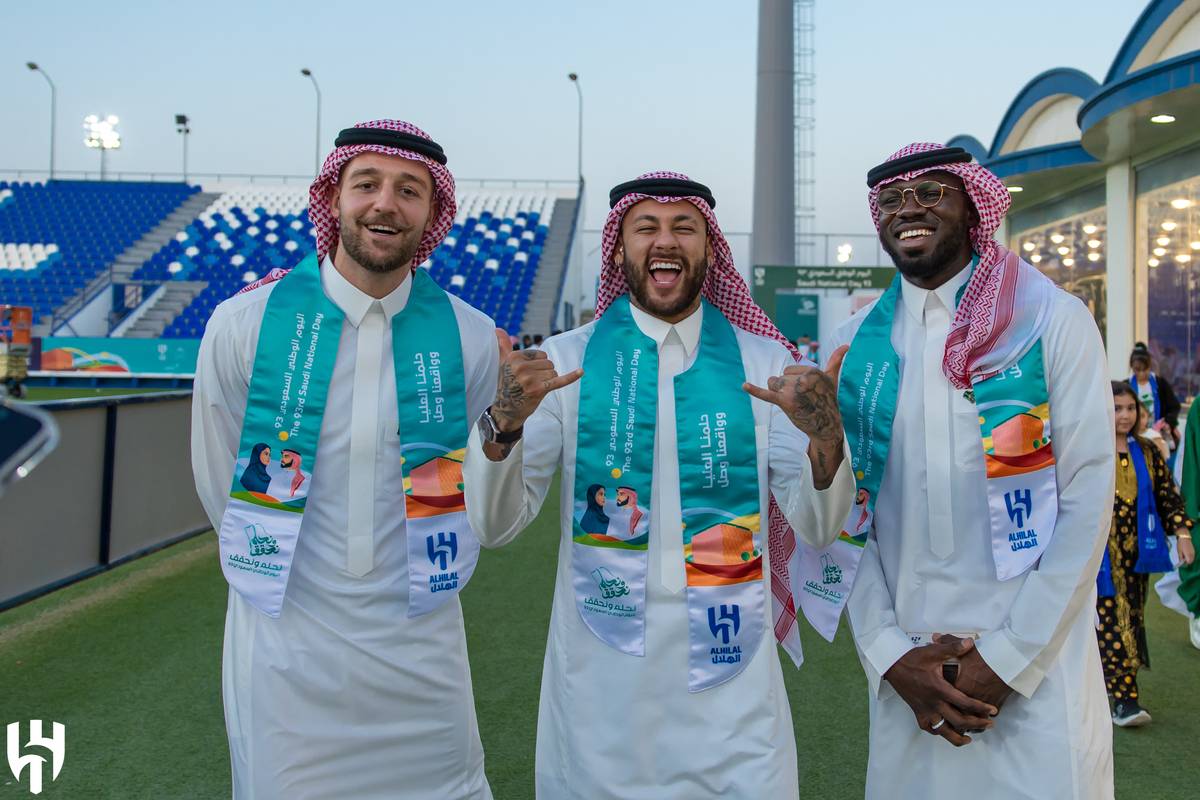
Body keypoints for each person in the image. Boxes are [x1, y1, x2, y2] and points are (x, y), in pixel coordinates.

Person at [463, 171, 853, 798]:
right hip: (601, 690)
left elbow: (817, 526)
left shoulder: (767, 366)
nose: (664, 241)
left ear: (709, 248)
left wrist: (827, 440)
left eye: (684, 228)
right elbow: (495, 525)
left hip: (735, 692)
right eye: (647, 227)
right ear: (620, 248)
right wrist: (502, 426)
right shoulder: (564, 363)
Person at [191, 119, 497, 799]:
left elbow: (474, 482)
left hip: (423, 655)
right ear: (333, 198)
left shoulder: (470, 337)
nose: (385, 204)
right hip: (287, 652)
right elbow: (222, 486)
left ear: (432, 212)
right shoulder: (244, 325)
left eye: (409, 190)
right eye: (367, 184)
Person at [827, 143, 1115, 798]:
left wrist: (1006, 661)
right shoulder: (857, 345)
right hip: (912, 684)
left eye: (931, 192)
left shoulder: (1051, 322)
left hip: (1035, 678)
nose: (910, 210)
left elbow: (1087, 499)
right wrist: (889, 654)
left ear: (973, 206)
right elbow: (845, 517)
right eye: (892, 199)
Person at [1099, 381, 1194, 727]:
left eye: (1129, 409)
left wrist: (1182, 534)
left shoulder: (1149, 452)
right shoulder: (1089, 449)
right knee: (1107, 624)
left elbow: (1168, 497)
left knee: (1132, 622)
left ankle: (1118, 696)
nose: (1124, 416)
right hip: (1097, 561)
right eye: (1116, 408)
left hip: (1137, 559)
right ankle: (1124, 700)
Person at [1129, 341, 1181, 449]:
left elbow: (1174, 406)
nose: (1142, 373)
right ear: (1131, 367)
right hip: (1135, 436)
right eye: (1138, 370)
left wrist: (1167, 421)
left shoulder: (1160, 384)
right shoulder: (1127, 386)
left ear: (1150, 366)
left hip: (1158, 435)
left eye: (1145, 369)